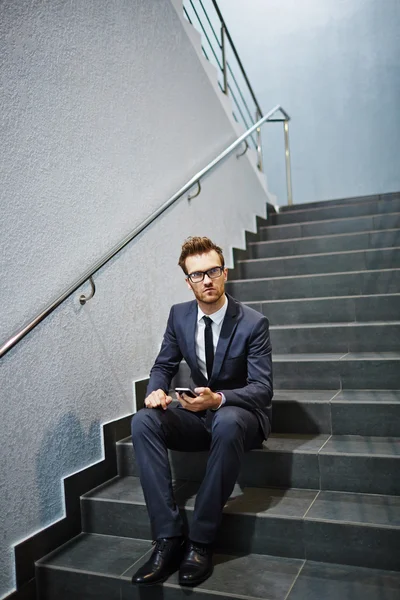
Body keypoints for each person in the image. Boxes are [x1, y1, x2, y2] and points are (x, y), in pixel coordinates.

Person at [131, 236, 273, 587]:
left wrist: (218, 399)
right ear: (188, 281)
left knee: (225, 420)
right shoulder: (179, 315)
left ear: (225, 273)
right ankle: (168, 537)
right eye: (198, 275)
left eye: (213, 271)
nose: (206, 280)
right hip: (199, 415)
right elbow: (163, 365)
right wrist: (156, 392)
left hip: (239, 417)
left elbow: (262, 390)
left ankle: (201, 541)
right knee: (142, 421)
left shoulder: (253, 323)